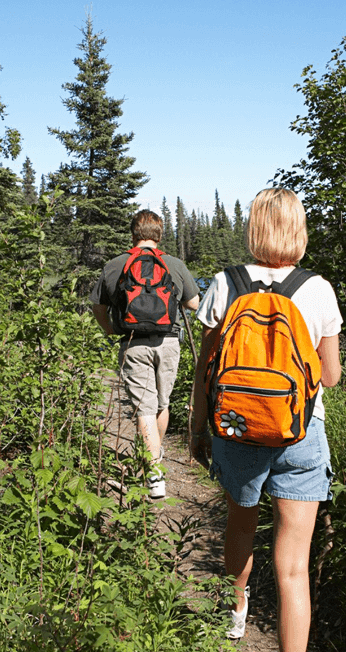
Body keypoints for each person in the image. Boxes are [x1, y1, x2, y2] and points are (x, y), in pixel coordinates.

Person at [191, 188, 342, 651]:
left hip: (236, 429)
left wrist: (198, 429)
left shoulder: (225, 282)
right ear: (299, 231)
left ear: (254, 228)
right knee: (294, 566)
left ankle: (235, 616)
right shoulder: (316, 289)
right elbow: (330, 377)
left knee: (239, 525)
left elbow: (206, 371)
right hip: (300, 433)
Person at [91, 209, 200, 498]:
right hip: (168, 342)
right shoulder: (173, 264)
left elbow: (98, 306)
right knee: (160, 405)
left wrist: (110, 330)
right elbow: (194, 303)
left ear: (133, 234)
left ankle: (153, 473)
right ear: (160, 234)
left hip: (132, 343)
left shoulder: (116, 265)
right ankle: (154, 458)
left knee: (145, 409)